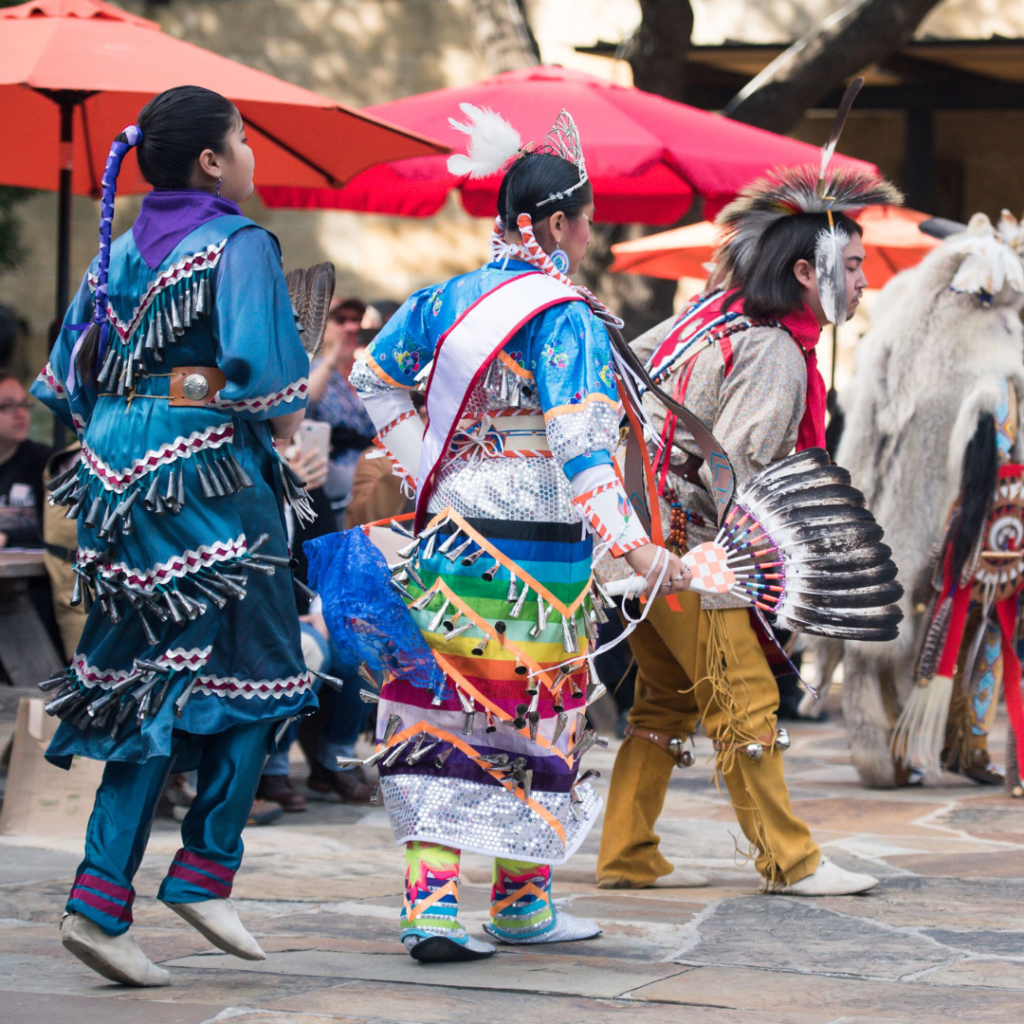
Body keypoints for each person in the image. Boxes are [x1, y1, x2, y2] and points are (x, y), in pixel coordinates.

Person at [343, 106, 691, 964]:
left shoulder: (446, 298)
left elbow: (369, 378)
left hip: (454, 525)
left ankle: (429, 911)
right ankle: (522, 905)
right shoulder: (564, 314)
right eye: (587, 220)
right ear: (557, 226)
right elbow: (579, 446)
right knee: (535, 715)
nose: (591, 235)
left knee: (443, 709)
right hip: (535, 540)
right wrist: (638, 549)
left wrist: (432, 471)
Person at [30, 85, 316, 987]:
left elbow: (67, 380)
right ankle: (196, 870)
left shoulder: (115, 250)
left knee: (140, 681)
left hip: (114, 478)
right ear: (212, 161)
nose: (249, 154)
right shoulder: (241, 244)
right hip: (210, 476)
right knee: (269, 667)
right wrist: (280, 436)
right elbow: (270, 383)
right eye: (243, 138)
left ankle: (107, 900)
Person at [597, 164, 900, 897]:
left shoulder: (703, 316)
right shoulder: (768, 349)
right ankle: (790, 860)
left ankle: (626, 854)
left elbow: (620, 384)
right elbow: (740, 478)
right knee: (745, 696)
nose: (862, 281)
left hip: (628, 548)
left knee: (665, 702)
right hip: (694, 555)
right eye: (852, 266)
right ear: (805, 270)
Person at [822, 211, 1024, 793]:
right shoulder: (968, 336)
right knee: (934, 615)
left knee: (927, 615)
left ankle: (938, 739)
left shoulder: (916, 317)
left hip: (936, 498)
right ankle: (910, 742)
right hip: (948, 500)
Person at [306, 297, 376, 525]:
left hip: (373, 473)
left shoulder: (366, 374)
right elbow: (300, 408)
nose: (351, 327)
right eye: (341, 320)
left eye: (356, 320)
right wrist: (332, 359)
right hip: (331, 481)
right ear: (322, 328)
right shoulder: (311, 372)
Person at [0, 371, 52, 550]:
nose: (20, 413)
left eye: (24, 404)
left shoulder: (45, 462)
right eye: (8, 406)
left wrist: (7, 537)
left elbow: (60, 529)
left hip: (32, 574)